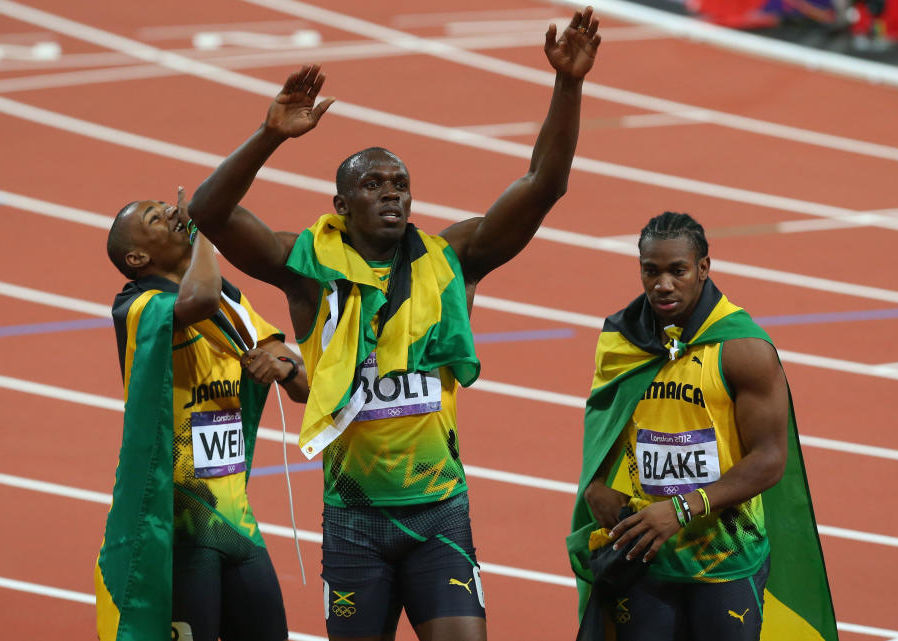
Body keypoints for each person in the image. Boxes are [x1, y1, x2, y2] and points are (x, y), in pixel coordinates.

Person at [185, 8, 601, 640]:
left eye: (401, 184)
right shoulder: (308, 273)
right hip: (354, 519)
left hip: (440, 513)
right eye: (373, 184)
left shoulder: (451, 260)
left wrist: (568, 84)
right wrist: (270, 134)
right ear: (341, 205)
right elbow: (209, 211)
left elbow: (546, 184)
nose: (391, 193)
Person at [568, 212, 838, 641]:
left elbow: (769, 460)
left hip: (725, 557)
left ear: (703, 269)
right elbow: (608, 425)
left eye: (678, 270)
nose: (663, 284)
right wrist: (597, 481)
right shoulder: (622, 341)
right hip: (646, 551)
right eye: (651, 271)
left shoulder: (742, 348)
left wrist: (680, 509)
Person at [94, 188, 308, 641]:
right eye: (156, 217)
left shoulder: (230, 301)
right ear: (136, 257)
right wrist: (205, 227)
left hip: (236, 522)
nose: (173, 212)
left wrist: (284, 365)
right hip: (175, 533)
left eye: (167, 206)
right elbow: (200, 299)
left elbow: (304, 385)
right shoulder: (137, 306)